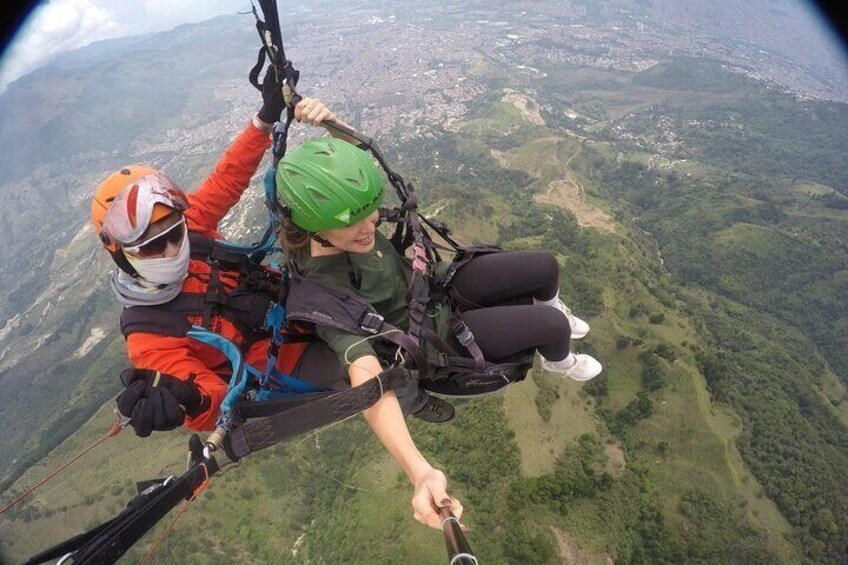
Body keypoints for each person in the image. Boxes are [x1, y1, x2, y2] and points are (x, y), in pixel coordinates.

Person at [273, 135, 603, 530]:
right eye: (353, 222)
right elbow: (365, 375)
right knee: (553, 329)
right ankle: (561, 362)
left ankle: (555, 305)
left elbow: (356, 171)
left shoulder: (340, 218)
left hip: (433, 287)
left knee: (545, 266)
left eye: (371, 212)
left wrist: (332, 125)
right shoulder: (324, 293)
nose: (370, 226)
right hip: (432, 334)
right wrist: (419, 472)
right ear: (313, 226)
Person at [90, 66, 347, 437]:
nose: (170, 249)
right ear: (119, 252)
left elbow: (227, 178)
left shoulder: (191, 227)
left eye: (173, 233)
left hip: (300, 299)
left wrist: (265, 117)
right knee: (369, 365)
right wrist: (187, 400)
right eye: (151, 247)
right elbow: (213, 399)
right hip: (288, 360)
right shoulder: (149, 335)